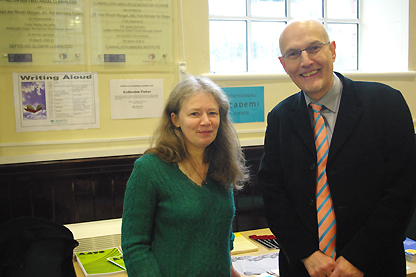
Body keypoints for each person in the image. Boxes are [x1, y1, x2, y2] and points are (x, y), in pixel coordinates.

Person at [258, 18, 416, 277]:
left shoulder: (386, 104)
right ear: (283, 64)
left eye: (314, 48)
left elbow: (402, 190)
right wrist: (306, 253)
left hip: (374, 266)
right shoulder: (280, 117)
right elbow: (273, 194)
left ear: (332, 50)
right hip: (305, 268)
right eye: (294, 54)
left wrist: (358, 259)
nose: (306, 61)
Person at [121, 75, 248, 276]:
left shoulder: (222, 165)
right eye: (195, 113)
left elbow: (221, 237)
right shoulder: (149, 169)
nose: (205, 121)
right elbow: (134, 246)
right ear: (175, 119)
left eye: (212, 113)